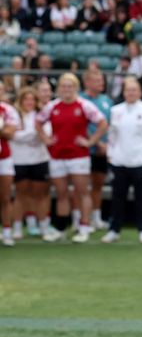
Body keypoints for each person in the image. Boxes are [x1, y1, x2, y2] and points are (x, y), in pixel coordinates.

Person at [35, 73, 107, 244]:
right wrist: (46, 139)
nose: (66, 89)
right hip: (57, 155)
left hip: (79, 156)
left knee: (82, 192)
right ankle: (61, 228)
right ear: (59, 88)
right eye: (63, 86)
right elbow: (38, 122)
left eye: (70, 86)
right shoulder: (52, 106)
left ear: (76, 88)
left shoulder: (84, 105)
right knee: (61, 194)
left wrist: (91, 141)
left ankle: (84, 227)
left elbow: (102, 123)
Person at [102, 78, 142, 244]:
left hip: (141, 161)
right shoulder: (115, 110)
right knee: (117, 198)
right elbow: (112, 135)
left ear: (140, 92)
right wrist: (110, 154)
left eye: (134, 89)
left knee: (141, 198)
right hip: (119, 162)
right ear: (123, 92)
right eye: (128, 90)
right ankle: (114, 230)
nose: (131, 93)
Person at [11, 87, 61, 242]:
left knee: (41, 195)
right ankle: (17, 227)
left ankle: (44, 227)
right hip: (19, 161)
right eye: (26, 99)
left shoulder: (41, 116)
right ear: (21, 101)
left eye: (32, 99)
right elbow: (14, 135)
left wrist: (28, 134)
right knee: (21, 195)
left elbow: (45, 134)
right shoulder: (14, 116)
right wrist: (33, 134)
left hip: (40, 160)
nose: (29, 103)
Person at [80, 70, 113, 231]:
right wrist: (96, 142)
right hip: (84, 149)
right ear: (87, 82)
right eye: (97, 80)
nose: (101, 83)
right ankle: (81, 218)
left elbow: (111, 124)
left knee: (98, 184)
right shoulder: (80, 100)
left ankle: (96, 217)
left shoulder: (107, 100)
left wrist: (106, 145)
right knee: (82, 186)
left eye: (102, 80)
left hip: (103, 150)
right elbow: (81, 124)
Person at [0, 94, 20, 247]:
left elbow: (9, 133)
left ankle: (7, 231)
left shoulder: (8, 110)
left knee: (6, 196)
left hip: (4, 158)